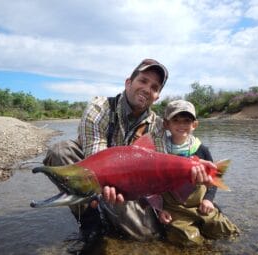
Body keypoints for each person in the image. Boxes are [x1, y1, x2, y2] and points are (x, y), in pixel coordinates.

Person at [43, 59, 214, 251]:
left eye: (154, 87)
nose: (147, 89)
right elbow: (97, 161)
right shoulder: (99, 108)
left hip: (128, 186)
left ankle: (106, 211)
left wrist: (194, 169)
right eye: (143, 81)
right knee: (61, 151)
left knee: (147, 235)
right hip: (99, 174)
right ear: (128, 82)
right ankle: (90, 222)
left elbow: (158, 175)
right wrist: (104, 190)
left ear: (157, 97)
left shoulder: (157, 125)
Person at [148, 99, 240, 246]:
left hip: (199, 204)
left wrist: (208, 199)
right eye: (176, 120)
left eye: (186, 121)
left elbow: (213, 179)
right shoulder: (161, 150)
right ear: (166, 124)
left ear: (194, 125)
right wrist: (160, 209)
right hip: (174, 208)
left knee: (223, 228)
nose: (182, 125)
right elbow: (154, 185)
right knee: (187, 238)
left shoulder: (202, 149)